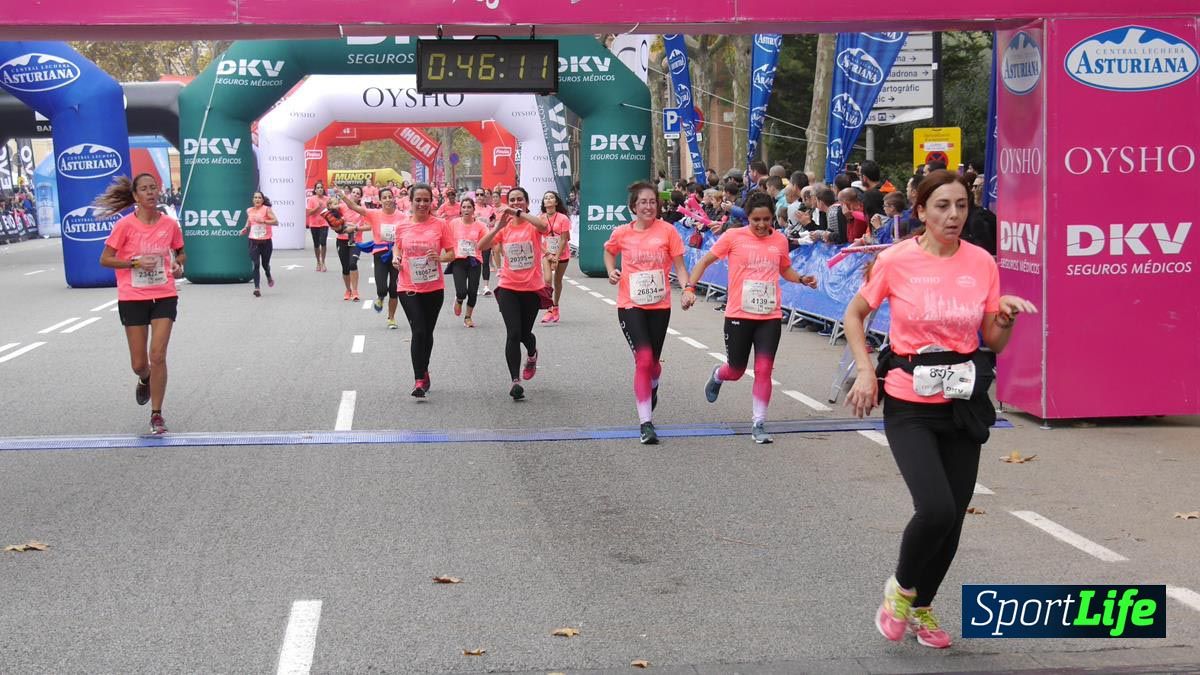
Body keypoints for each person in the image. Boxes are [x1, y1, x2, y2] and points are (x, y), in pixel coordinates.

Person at [842, 170, 1038, 649]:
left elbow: (992, 339)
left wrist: (1005, 319)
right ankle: (900, 592)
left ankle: (922, 607)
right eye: (943, 207)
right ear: (922, 212)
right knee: (934, 508)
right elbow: (855, 314)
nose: (954, 215)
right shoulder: (896, 260)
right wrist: (866, 372)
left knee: (954, 516)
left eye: (961, 206)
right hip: (909, 399)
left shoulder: (982, 262)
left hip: (962, 400)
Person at [682, 192, 817, 443]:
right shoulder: (733, 237)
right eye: (756, 219)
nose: (762, 224)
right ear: (748, 218)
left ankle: (759, 423)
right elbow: (704, 262)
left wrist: (801, 278)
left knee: (764, 370)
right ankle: (718, 376)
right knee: (736, 370)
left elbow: (784, 268)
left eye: (767, 219)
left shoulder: (779, 240)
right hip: (738, 314)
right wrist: (689, 288)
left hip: (769, 315)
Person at [96, 173, 186, 435]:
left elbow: (181, 251)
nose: (150, 192)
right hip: (133, 296)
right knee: (139, 362)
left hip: (164, 294)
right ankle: (144, 377)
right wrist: (134, 263)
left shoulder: (170, 224)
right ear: (135, 196)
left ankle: (157, 414)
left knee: (157, 355)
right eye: (144, 189)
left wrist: (179, 264)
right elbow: (105, 259)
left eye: (153, 188)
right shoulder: (124, 226)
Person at [603, 182, 689, 445]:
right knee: (643, 359)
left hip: (659, 306)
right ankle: (646, 423)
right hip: (630, 304)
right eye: (643, 202)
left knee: (653, 364)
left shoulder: (668, 231)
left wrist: (687, 289)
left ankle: (652, 385)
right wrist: (611, 271)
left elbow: (680, 267)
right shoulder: (622, 233)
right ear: (634, 207)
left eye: (653, 202)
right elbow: (609, 251)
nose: (649, 206)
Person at [476, 187, 550, 400]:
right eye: (513, 200)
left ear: (526, 203)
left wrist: (517, 212)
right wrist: (499, 225)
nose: (516, 203)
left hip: (531, 288)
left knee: (526, 334)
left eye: (520, 200)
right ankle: (515, 381)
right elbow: (481, 246)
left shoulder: (533, 225)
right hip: (508, 287)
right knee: (513, 333)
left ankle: (532, 353)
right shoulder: (505, 229)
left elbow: (544, 226)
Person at [388, 183, 456, 397]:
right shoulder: (402, 226)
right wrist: (396, 257)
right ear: (411, 201)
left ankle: (424, 369)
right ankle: (419, 379)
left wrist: (441, 258)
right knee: (418, 331)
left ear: (431, 202)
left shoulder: (441, 225)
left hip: (434, 287)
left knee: (427, 332)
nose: (422, 204)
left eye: (426, 200)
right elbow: (397, 245)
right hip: (408, 285)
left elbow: (451, 253)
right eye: (418, 199)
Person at [343, 187, 405, 329]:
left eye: (390, 197)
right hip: (380, 254)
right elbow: (354, 206)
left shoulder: (402, 216)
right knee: (382, 288)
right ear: (380, 200)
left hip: (397, 254)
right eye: (385, 197)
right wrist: (343, 197)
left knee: (395, 289)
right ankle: (381, 297)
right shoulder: (374, 214)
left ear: (393, 198)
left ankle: (391, 318)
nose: (388, 200)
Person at [447, 196, 489, 328]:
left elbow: (487, 242)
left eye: (469, 207)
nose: (466, 209)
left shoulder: (481, 226)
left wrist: (481, 245)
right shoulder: (454, 223)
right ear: (460, 209)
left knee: (472, 291)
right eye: (464, 207)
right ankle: (459, 300)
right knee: (461, 291)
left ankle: (468, 317)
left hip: (474, 260)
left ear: (473, 209)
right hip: (458, 260)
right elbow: (446, 238)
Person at [539, 191, 571, 324]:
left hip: (562, 254)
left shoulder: (563, 218)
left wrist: (556, 257)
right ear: (544, 202)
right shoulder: (540, 218)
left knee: (557, 281)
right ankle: (549, 308)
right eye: (546, 198)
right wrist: (548, 254)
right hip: (546, 253)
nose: (548, 200)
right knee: (547, 279)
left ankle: (556, 307)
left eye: (551, 197)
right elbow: (537, 239)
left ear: (556, 202)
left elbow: (564, 240)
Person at [331, 186, 369, 301]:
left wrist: (356, 228)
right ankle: (348, 289)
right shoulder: (342, 206)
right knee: (345, 267)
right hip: (341, 240)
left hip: (355, 241)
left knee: (353, 264)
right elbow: (331, 213)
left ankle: (355, 290)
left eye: (358, 193)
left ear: (360, 197)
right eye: (354, 192)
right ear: (350, 194)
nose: (355, 194)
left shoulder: (362, 209)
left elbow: (369, 226)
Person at [239, 190, 277, 297]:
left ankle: (268, 274)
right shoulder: (249, 210)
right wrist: (246, 228)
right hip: (253, 241)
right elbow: (249, 221)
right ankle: (257, 288)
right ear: (253, 200)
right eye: (255, 198)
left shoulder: (266, 210)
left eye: (259, 198)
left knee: (265, 265)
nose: (257, 199)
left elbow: (276, 222)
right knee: (256, 264)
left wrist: (263, 221)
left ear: (263, 200)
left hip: (266, 242)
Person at [475, 189, 497, 297]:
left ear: (485, 196)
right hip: (474, 239)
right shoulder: (472, 207)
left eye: (481, 194)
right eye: (477, 194)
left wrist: (488, 223)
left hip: (486, 238)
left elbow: (494, 220)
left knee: (485, 262)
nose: (479, 196)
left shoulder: (489, 209)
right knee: (475, 263)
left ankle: (486, 286)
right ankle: (475, 286)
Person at [305, 181, 330, 272]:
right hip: (314, 224)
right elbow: (308, 213)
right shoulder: (311, 199)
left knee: (323, 242)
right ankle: (318, 262)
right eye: (318, 188)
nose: (320, 189)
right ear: (315, 190)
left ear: (323, 189)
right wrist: (317, 207)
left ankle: (323, 262)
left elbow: (331, 210)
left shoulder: (327, 199)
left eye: (321, 188)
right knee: (316, 244)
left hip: (324, 223)